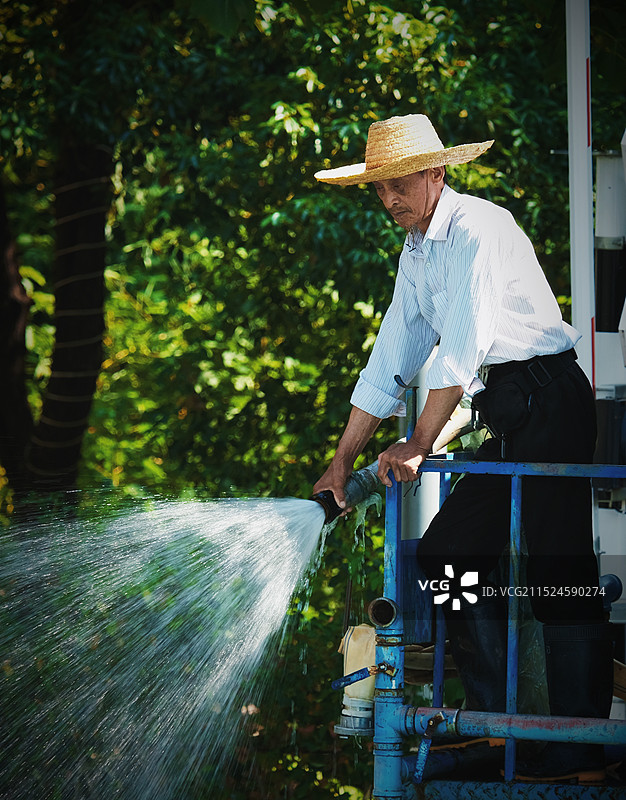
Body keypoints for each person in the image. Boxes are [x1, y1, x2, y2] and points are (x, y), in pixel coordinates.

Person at [312, 114, 614, 783]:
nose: (389, 199)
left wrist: (419, 442)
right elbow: (390, 360)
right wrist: (341, 461)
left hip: (551, 399)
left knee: (558, 571)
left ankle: (578, 754)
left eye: (399, 184)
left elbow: (464, 348)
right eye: (378, 188)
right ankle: (501, 728)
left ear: (436, 173)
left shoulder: (480, 226)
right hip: (507, 410)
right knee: (448, 552)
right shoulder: (417, 253)